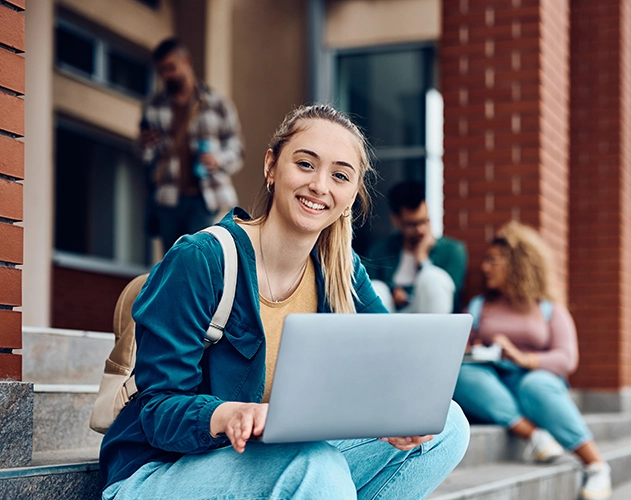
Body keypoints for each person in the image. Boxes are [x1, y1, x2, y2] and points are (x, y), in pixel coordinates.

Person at [100, 104, 470, 499]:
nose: (320, 186)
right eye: (306, 164)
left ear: (352, 195)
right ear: (271, 167)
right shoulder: (201, 258)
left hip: (267, 462)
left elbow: (391, 372)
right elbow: (158, 410)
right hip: (158, 473)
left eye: (340, 175)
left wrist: (387, 411)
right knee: (316, 467)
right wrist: (229, 414)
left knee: (446, 426)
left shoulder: (340, 272)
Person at [453, 221, 612, 500]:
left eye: (493, 260)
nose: (485, 267)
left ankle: (596, 466)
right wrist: (475, 348)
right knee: (462, 375)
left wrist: (522, 357)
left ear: (517, 263)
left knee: (536, 386)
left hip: (534, 380)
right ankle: (536, 435)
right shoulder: (478, 306)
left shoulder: (548, 309)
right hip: (492, 380)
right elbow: (460, 349)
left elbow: (566, 359)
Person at [139, 37, 244, 251]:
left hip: (207, 198)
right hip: (168, 200)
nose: (167, 75)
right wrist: (145, 144)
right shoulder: (152, 107)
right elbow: (146, 156)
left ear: (186, 61)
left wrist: (218, 159)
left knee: (203, 259)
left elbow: (237, 149)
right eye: (162, 71)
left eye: (171, 67)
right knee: (174, 261)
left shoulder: (218, 104)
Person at [364, 180, 467, 313]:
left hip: (428, 316)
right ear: (396, 220)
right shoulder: (380, 250)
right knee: (376, 288)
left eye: (424, 221)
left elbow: (451, 296)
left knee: (433, 278)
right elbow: (365, 290)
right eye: (412, 224)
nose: (421, 229)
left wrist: (423, 260)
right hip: (391, 315)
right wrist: (392, 291)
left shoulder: (452, 250)